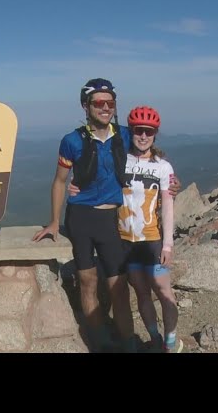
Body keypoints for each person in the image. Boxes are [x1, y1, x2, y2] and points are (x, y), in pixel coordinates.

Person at [32, 78, 179, 353]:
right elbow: (60, 181)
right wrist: (54, 220)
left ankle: (128, 343)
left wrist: (171, 182)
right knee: (87, 280)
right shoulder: (72, 141)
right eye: (99, 103)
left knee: (118, 286)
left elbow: (148, 152)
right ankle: (99, 340)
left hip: (111, 220)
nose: (105, 108)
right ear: (85, 106)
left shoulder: (124, 135)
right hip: (81, 218)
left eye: (110, 103)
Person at [69, 106, 183, 353]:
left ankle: (171, 342)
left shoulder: (163, 167)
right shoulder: (120, 159)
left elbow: (168, 207)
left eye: (149, 132)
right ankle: (154, 340)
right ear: (131, 132)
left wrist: (168, 245)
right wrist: (75, 187)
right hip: (125, 241)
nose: (143, 136)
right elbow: (95, 177)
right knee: (141, 293)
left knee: (164, 292)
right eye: (139, 131)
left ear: (155, 134)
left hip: (152, 239)